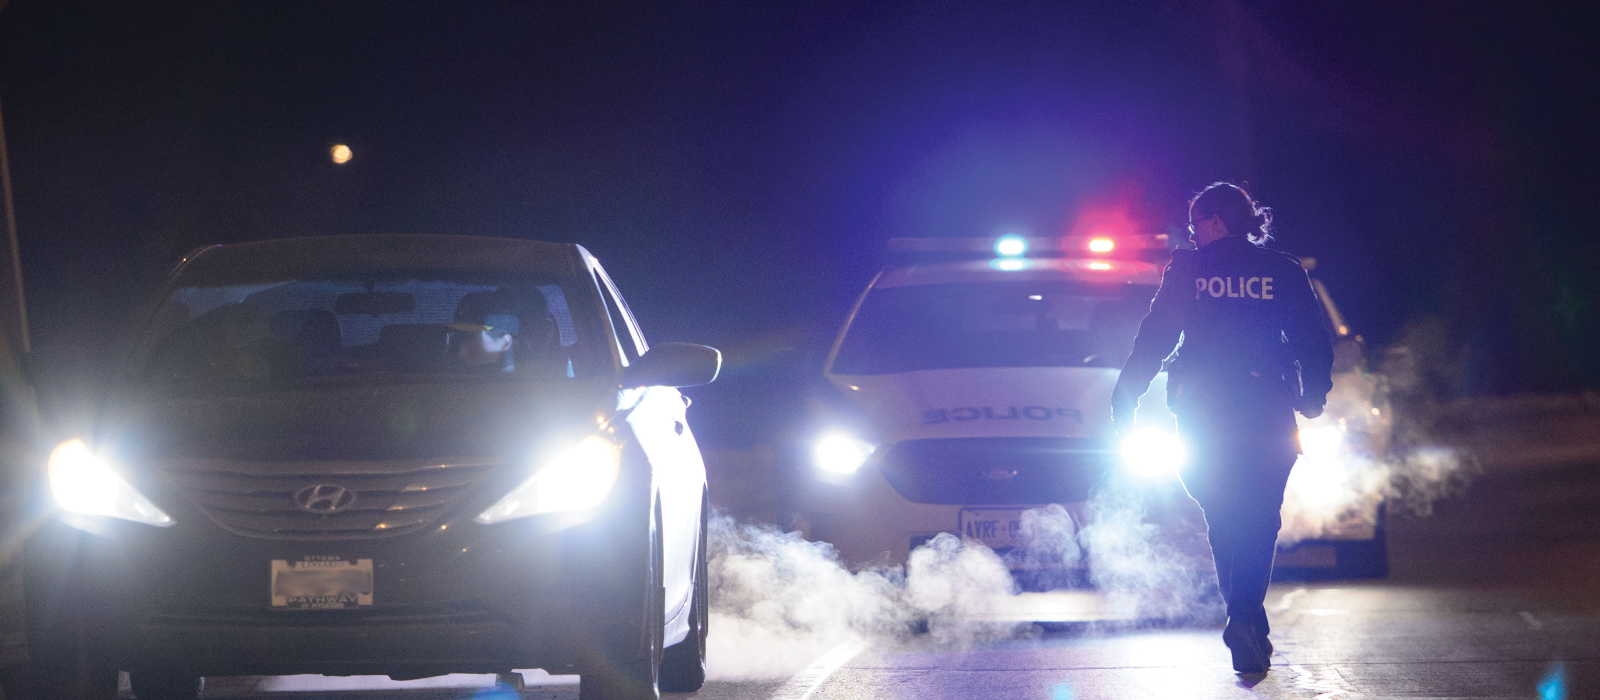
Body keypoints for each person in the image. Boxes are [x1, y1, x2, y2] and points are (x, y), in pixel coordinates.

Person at [1111, 182, 1333, 674]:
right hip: (1266, 413)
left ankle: (1243, 617)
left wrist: (1126, 395)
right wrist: (1314, 394)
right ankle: (1246, 617)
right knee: (1260, 519)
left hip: (1202, 415)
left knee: (1224, 520)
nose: (1192, 236)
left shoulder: (1188, 270)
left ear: (1213, 223)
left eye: (1195, 226)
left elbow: (1156, 336)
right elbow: (1311, 338)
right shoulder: (1282, 270)